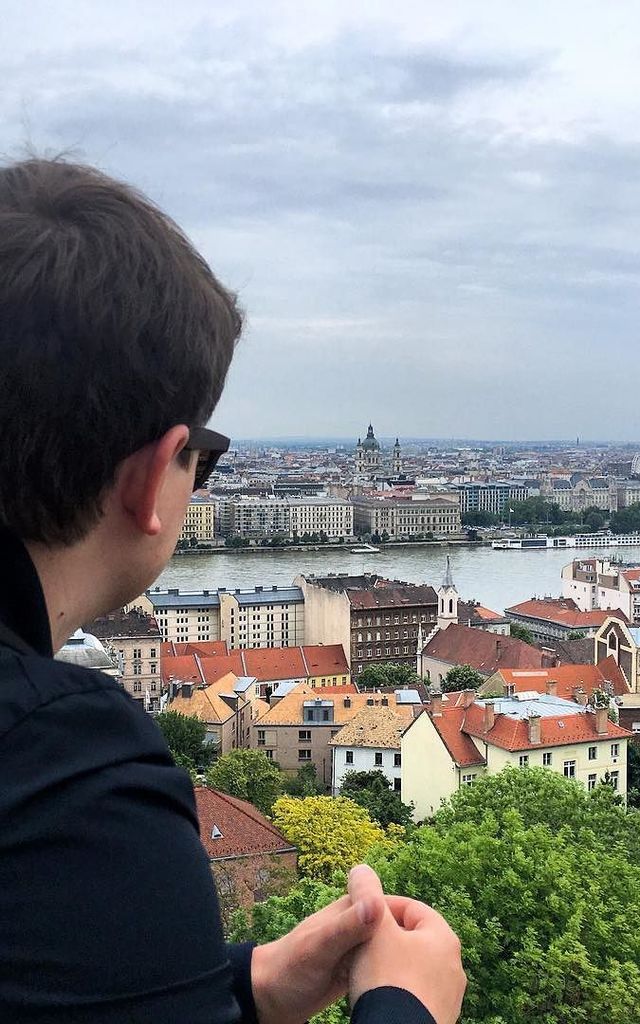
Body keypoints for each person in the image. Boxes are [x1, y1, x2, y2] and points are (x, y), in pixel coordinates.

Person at [0, 158, 466, 1024]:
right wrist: (406, 1006)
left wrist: (236, 988)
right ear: (152, 477)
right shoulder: (66, 773)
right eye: (204, 459)